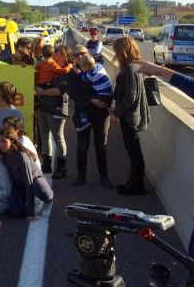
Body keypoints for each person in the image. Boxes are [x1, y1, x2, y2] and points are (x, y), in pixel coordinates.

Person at [38, 45, 112, 185]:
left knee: (101, 145)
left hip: (100, 114)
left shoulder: (98, 69)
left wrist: (103, 102)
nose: (79, 57)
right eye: (76, 55)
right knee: (82, 146)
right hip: (83, 112)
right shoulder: (72, 73)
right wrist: (92, 99)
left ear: (88, 53)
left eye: (82, 54)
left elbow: (107, 88)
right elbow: (73, 94)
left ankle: (104, 176)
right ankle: (81, 175)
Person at [112, 37, 150, 196]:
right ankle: (133, 182)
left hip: (130, 117)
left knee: (134, 151)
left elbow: (131, 96)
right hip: (134, 115)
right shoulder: (136, 66)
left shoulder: (129, 69)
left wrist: (116, 112)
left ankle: (137, 185)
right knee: (133, 151)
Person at [0, 129, 53, 219]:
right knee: (15, 212)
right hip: (19, 185)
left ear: (12, 141)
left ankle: (45, 201)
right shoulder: (4, 156)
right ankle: (25, 203)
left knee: (43, 192)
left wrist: (31, 213)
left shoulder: (21, 156)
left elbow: (29, 182)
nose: (1, 144)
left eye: (4, 141)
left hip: (33, 182)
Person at [34, 45, 73, 175]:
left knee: (58, 137)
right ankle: (47, 165)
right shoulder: (49, 66)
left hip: (57, 108)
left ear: (63, 55)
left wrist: (42, 91)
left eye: (57, 52)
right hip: (43, 106)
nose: (54, 55)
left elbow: (59, 90)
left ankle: (61, 167)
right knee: (44, 136)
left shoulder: (68, 71)